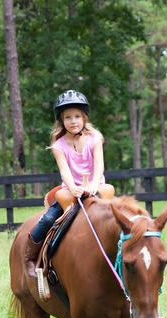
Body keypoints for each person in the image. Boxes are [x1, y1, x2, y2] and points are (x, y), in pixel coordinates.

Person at [24, 89, 114, 279]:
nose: (73, 121)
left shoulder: (94, 139)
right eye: (67, 117)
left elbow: (99, 165)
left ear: (84, 118)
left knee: (120, 215)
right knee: (49, 219)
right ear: (61, 121)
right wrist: (73, 187)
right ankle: (30, 256)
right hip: (71, 190)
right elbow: (64, 171)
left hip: (96, 188)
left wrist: (94, 184)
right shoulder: (59, 146)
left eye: (77, 116)